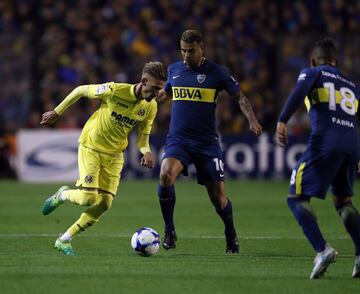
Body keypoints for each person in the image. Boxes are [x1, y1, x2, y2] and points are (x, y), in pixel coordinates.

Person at [40, 62, 167, 255]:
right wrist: (57, 112)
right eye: (155, 88)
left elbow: (143, 137)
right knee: (89, 198)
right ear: (143, 81)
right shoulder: (114, 90)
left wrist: (146, 151)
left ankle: (64, 239)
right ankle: (63, 195)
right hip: (91, 146)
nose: (158, 93)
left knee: (104, 204)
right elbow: (81, 90)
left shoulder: (151, 107)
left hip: (115, 155)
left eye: (160, 89)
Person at [156, 30, 262, 254]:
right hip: (179, 140)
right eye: (183, 51)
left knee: (218, 200)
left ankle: (230, 232)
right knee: (165, 174)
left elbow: (240, 97)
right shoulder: (174, 70)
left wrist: (252, 120)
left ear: (202, 48)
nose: (186, 55)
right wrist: (152, 99)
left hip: (206, 144)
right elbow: (165, 94)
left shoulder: (217, 72)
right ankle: (169, 231)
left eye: (191, 51)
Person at [276, 38, 360, 279]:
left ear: (314, 60)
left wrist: (282, 119)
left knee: (296, 198)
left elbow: (299, 91)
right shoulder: (351, 84)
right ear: (337, 61)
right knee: (343, 201)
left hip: (325, 141)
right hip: (351, 145)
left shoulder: (312, 72)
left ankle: (322, 250)